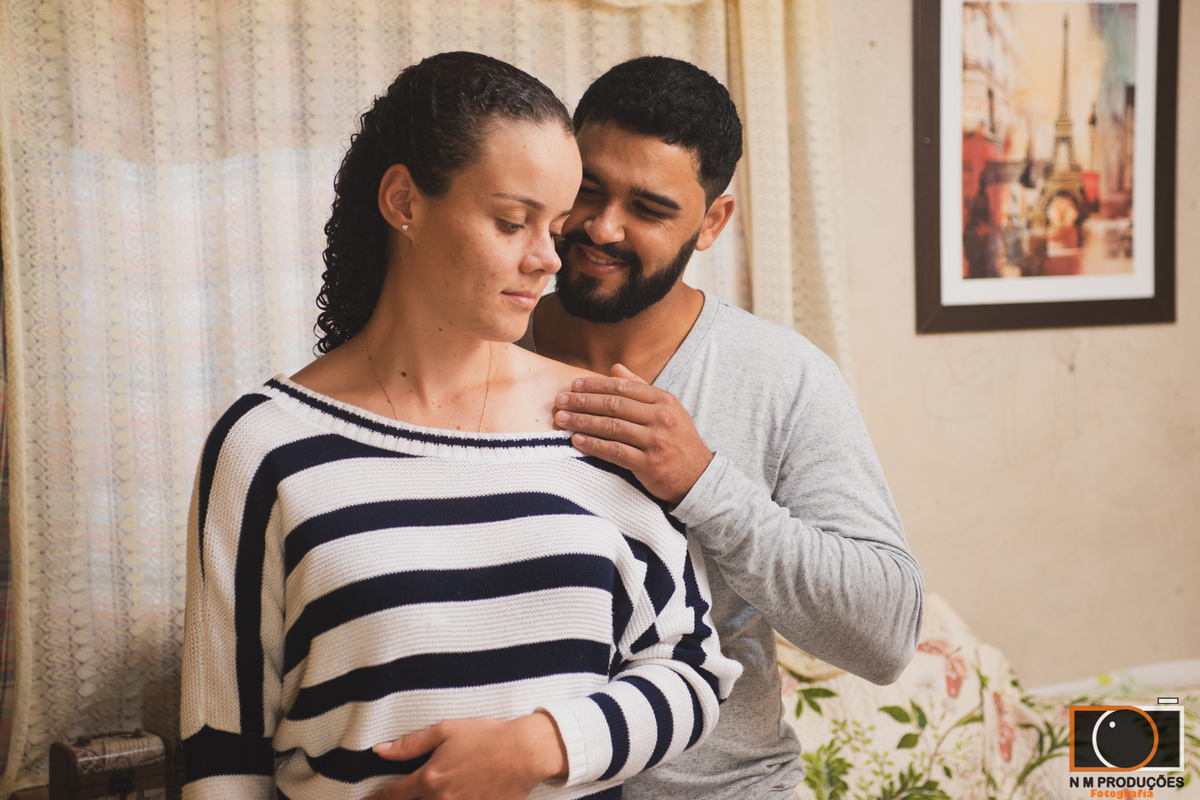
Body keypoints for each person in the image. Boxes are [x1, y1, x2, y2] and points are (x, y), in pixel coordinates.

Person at [180, 51, 740, 800]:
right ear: (404, 201)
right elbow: (223, 754)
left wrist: (542, 745)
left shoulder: (597, 421)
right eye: (512, 222)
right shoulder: (265, 445)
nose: (548, 259)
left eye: (556, 227)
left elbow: (693, 669)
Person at [522, 56, 926, 799]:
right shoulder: (480, 353)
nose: (602, 228)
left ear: (712, 222)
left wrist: (703, 484)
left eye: (649, 209)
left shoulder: (782, 376)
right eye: (588, 190)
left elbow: (886, 636)